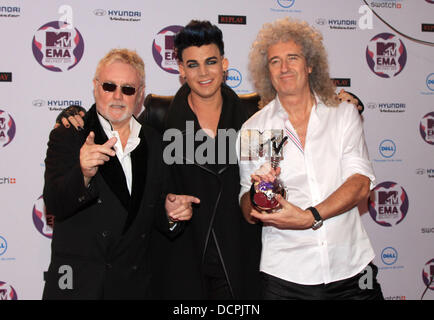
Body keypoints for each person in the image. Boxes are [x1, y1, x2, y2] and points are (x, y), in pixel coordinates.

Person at [238, 17, 384, 300]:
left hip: (352, 270)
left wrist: (310, 216)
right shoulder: (253, 129)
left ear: (309, 64)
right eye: (275, 61)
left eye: (292, 57)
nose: (284, 67)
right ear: (266, 71)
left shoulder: (343, 115)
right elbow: (247, 205)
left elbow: (360, 183)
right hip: (286, 277)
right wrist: (259, 193)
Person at [42, 48, 199, 300]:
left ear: (140, 94)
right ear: (95, 87)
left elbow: (153, 212)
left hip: (132, 286)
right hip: (78, 286)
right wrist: (82, 174)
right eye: (109, 86)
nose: (117, 96)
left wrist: (171, 213)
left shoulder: (155, 143)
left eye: (128, 89)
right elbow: (54, 203)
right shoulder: (70, 134)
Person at [149, 20, 262, 300]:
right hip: (183, 260)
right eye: (192, 64)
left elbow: (280, 173)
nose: (203, 73)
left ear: (224, 64)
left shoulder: (254, 115)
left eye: (210, 62)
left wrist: (345, 103)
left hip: (240, 259)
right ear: (181, 70)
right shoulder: (158, 117)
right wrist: (165, 207)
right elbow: (134, 177)